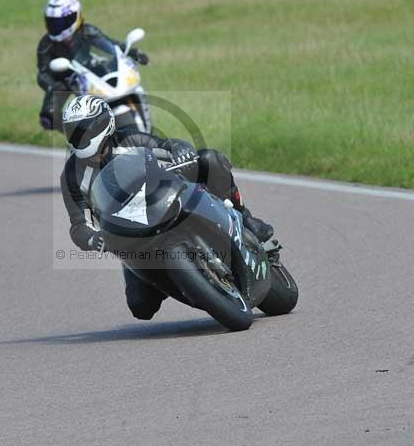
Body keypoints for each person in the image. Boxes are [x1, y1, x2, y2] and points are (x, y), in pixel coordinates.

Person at [59, 95, 276, 320]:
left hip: (162, 204)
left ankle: (244, 216)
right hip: (132, 237)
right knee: (140, 306)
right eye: (72, 132)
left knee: (209, 160)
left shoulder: (131, 139)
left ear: (103, 124)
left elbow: (165, 146)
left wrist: (179, 148)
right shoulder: (72, 177)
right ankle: (183, 281)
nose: (77, 138)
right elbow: (79, 224)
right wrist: (94, 238)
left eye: (82, 131)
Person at [37, 0, 150, 131]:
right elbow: (42, 73)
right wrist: (53, 84)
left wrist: (132, 52)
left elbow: (111, 44)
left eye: (61, 22)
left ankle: (147, 127)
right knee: (48, 116)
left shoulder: (88, 31)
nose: (56, 27)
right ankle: (80, 140)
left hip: (88, 74)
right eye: (52, 23)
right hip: (64, 80)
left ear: (75, 18)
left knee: (134, 86)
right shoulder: (46, 44)